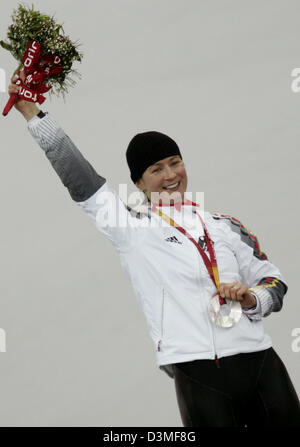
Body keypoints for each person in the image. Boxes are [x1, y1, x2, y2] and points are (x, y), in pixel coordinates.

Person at [8, 71, 300, 427]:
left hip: (261, 364)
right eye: (156, 168)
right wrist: (32, 113)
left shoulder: (226, 225)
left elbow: (274, 281)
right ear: (139, 183)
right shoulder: (133, 228)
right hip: (197, 372)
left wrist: (252, 298)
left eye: (175, 162)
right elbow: (80, 177)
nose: (170, 174)